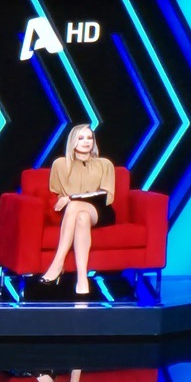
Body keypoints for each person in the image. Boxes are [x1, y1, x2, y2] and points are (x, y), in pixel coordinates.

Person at [38, 123, 116, 297]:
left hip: (100, 210)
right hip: (73, 214)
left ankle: (57, 263)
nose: (86, 142)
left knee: (74, 205)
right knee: (81, 217)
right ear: (72, 141)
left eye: (89, 138)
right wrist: (68, 199)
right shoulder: (60, 164)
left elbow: (105, 195)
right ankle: (82, 279)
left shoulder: (105, 164)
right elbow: (56, 194)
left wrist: (72, 197)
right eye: (81, 138)